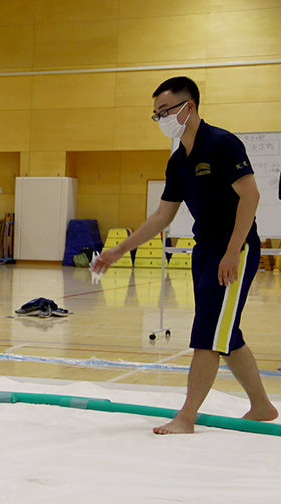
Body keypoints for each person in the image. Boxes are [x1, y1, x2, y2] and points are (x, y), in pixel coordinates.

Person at [94, 76, 277, 434]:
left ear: (188, 106)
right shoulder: (178, 161)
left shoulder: (222, 144)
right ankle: (262, 406)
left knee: (207, 333)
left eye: (165, 110)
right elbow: (163, 216)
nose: (161, 118)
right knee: (227, 334)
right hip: (205, 250)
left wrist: (232, 251)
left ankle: (186, 417)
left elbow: (251, 196)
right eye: (156, 114)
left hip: (233, 250)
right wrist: (119, 249)